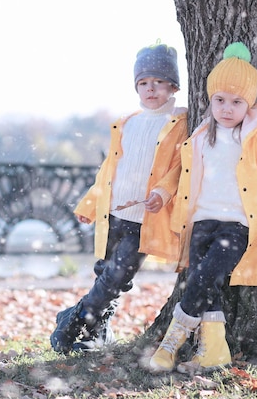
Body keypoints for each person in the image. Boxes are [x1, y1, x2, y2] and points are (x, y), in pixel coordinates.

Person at [149, 42, 257, 373]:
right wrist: (162, 193)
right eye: (220, 100)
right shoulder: (201, 135)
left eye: (237, 102)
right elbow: (182, 174)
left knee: (205, 275)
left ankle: (171, 341)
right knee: (206, 284)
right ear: (210, 101)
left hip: (236, 225)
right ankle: (214, 351)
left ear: (248, 104)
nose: (227, 108)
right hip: (202, 222)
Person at [50, 41, 189, 353]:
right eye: (143, 83)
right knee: (106, 272)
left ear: (174, 86)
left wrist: (163, 192)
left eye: (158, 82)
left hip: (146, 217)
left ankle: (75, 317)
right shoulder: (127, 123)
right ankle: (98, 333)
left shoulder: (179, 123)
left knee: (118, 275)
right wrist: (90, 203)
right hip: (114, 211)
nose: (150, 89)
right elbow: (109, 169)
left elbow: (182, 166)